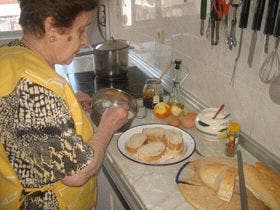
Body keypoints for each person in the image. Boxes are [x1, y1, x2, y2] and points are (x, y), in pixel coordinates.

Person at [0, 0, 129, 209]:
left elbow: (26, 126)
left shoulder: (11, 54)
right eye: (80, 30)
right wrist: (106, 127)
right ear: (51, 27)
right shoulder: (33, 88)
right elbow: (76, 173)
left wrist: (65, 106)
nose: (85, 41)